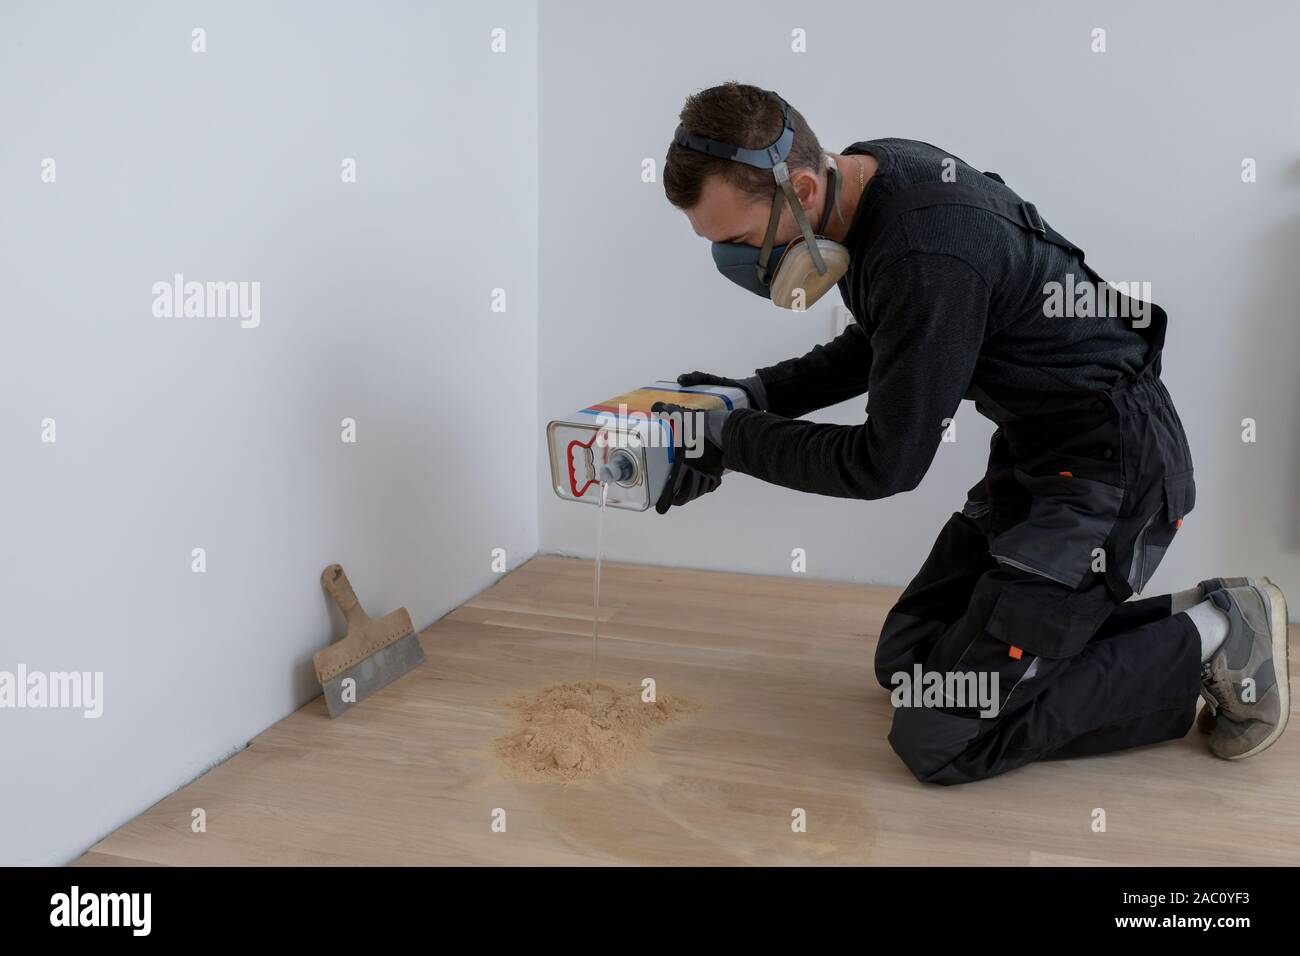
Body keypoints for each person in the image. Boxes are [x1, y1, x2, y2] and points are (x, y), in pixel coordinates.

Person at [658, 81, 1289, 783]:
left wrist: (729, 437)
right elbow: (890, 342)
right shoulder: (873, 180)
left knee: (939, 737)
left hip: (1111, 477)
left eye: (741, 241)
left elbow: (882, 465)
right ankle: (1191, 616)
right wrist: (750, 394)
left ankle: (1220, 635)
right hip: (1036, 456)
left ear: (802, 188)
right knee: (910, 662)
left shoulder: (928, 250)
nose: (737, 263)